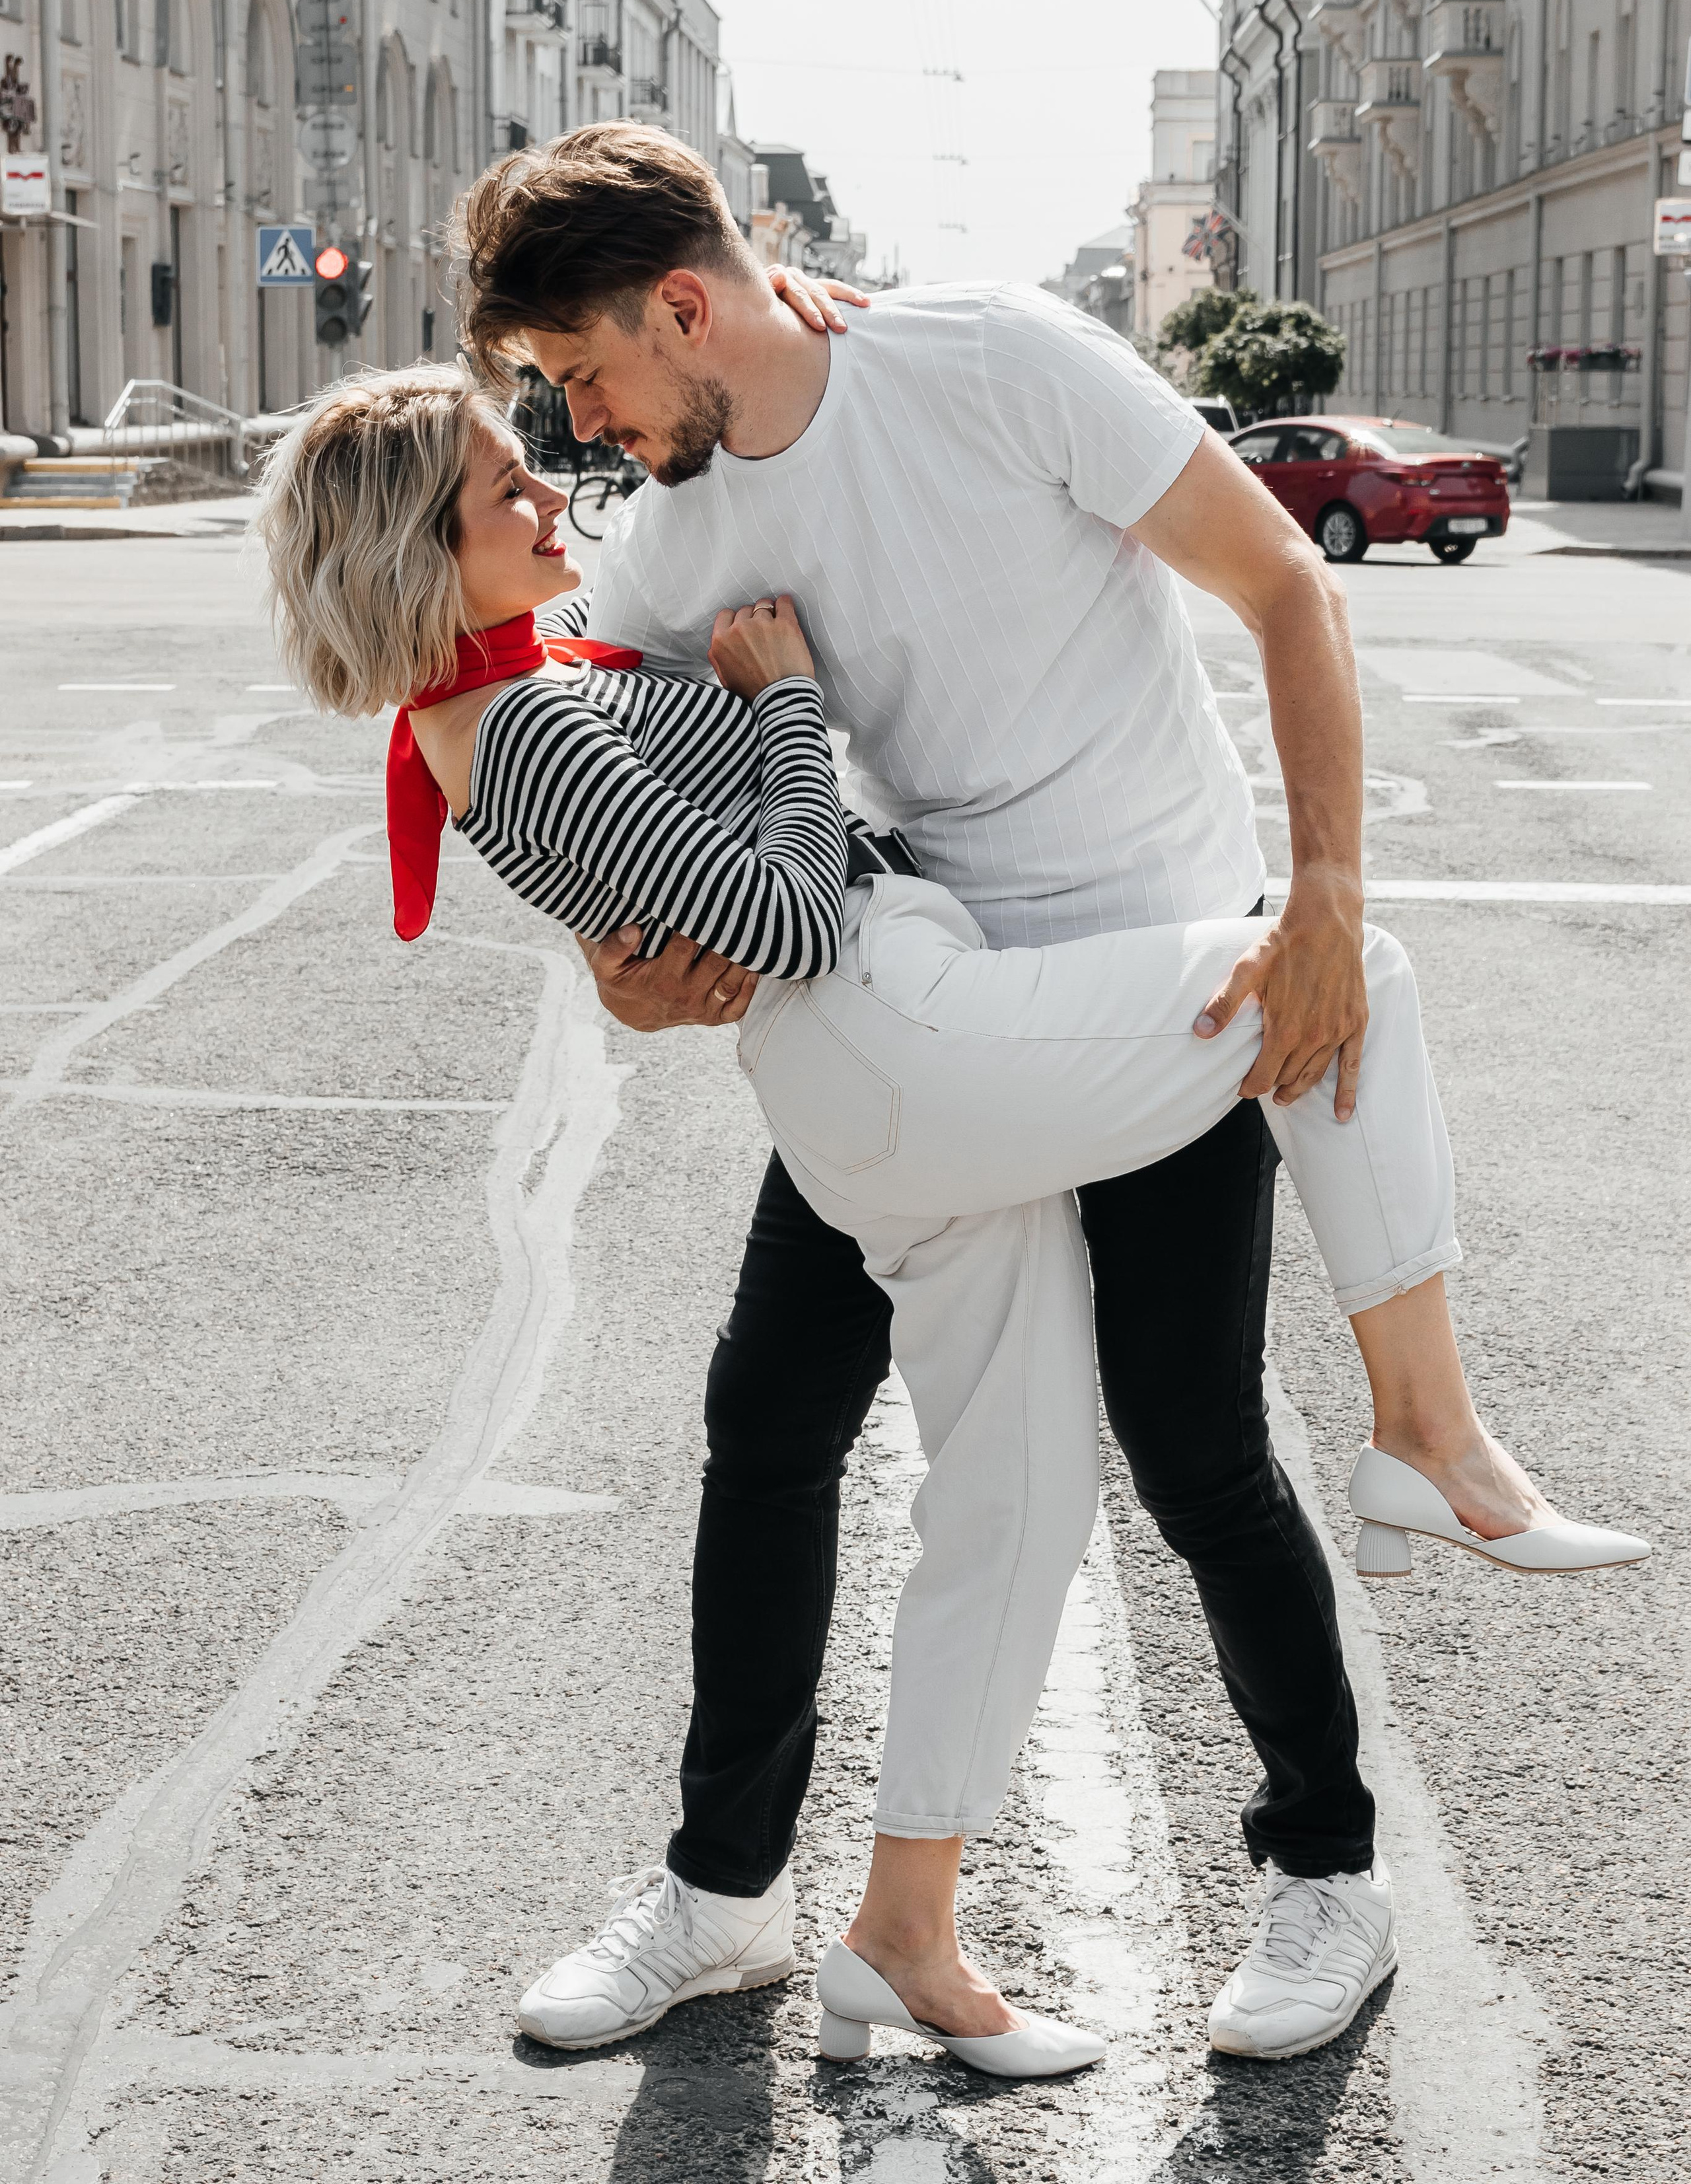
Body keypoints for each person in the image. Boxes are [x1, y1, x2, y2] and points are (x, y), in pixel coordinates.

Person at [258, 355, 1646, 2077]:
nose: (565, 475)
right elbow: (788, 907)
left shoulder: (638, 589)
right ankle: (1429, 1440)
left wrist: (696, 858)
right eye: (511, 480)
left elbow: (694, 870)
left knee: (1070, 1476)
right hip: (908, 1028)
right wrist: (773, 714)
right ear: (414, 549)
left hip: (1002, 981)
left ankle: (956, 1926)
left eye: (560, 434)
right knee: (1345, 974)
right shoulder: (543, 680)